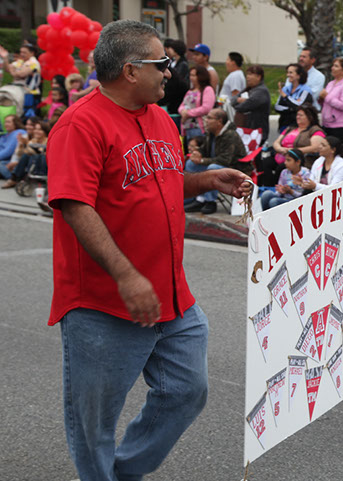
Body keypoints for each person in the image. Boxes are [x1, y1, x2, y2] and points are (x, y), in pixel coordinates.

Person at [45, 20, 252, 480]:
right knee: (94, 421)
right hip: (103, 303)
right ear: (129, 70)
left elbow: (158, 184)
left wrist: (206, 178)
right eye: (161, 63)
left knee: (186, 391)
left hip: (172, 295)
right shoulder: (79, 124)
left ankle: (122, 471)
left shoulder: (159, 115)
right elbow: (75, 206)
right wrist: (125, 275)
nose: (170, 71)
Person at [184, 108, 249, 214]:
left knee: (212, 168)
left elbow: (225, 160)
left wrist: (201, 160)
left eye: (209, 118)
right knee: (191, 164)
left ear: (219, 121)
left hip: (235, 169)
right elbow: (204, 149)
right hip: (216, 165)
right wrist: (197, 153)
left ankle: (210, 201)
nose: (206, 120)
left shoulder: (230, 135)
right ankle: (195, 197)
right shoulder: (211, 133)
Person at [268, 105, 325, 185]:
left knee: (281, 167)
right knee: (266, 163)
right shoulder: (290, 128)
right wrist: (280, 149)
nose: (298, 117)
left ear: (309, 117)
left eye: (301, 115)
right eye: (297, 115)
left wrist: (294, 151)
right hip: (282, 154)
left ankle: (279, 188)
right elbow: (276, 142)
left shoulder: (314, 130)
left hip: (298, 159)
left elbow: (315, 148)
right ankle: (268, 187)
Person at [2, 119, 49, 188]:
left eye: (40, 130)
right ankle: (14, 178)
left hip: (42, 165)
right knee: (25, 156)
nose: (36, 131)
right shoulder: (33, 140)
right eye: (35, 129)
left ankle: (14, 177)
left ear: (45, 131)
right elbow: (20, 154)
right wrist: (21, 145)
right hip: (31, 164)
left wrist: (27, 145)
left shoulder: (48, 141)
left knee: (37, 156)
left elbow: (39, 152)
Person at [318, 58, 343, 145]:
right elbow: (326, 102)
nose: (332, 68)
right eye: (333, 66)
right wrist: (321, 99)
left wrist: (326, 97)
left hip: (340, 126)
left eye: (336, 66)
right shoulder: (330, 84)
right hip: (327, 124)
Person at [178, 65, 216, 143]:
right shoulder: (190, 91)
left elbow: (206, 108)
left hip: (199, 127)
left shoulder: (207, 90)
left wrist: (188, 113)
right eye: (190, 75)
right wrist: (183, 112)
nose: (191, 78)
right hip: (186, 127)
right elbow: (181, 105)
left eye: (193, 75)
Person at [234, 64, 271, 143]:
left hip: (256, 132)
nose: (247, 77)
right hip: (246, 131)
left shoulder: (261, 91)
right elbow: (233, 100)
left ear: (259, 77)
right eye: (247, 74)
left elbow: (244, 106)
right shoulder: (249, 89)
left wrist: (243, 101)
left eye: (251, 74)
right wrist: (239, 100)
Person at [275, 63, 313, 133]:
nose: (288, 75)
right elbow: (277, 107)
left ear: (299, 75)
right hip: (284, 125)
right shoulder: (285, 89)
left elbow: (299, 107)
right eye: (287, 72)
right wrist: (291, 109)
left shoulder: (305, 90)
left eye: (291, 73)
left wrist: (286, 98)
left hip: (299, 127)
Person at [159, 38, 189, 115]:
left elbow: (178, 82)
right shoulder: (173, 62)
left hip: (177, 100)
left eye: (171, 48)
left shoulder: (183, 64)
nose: (169, 50)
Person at [296, 48, 325, 112]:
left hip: (309, 112)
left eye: (304, 57)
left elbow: (312, 96)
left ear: (312, 60)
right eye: (300, 56)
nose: (301, 59)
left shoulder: (319, 76)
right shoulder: (294, 73)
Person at [0, 115, 27, 180]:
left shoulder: (19, 132)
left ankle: (12, 179)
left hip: (12, 160)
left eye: (8, 122)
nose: (6, 124)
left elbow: (8, 151)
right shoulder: (6, 134)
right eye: (5, 122)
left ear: (16, 123)